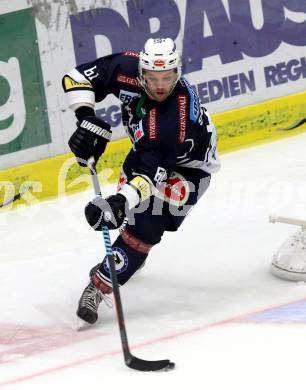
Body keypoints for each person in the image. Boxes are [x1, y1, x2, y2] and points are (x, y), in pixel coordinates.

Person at [62, 38, 221, 324]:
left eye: (168, 77)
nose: (160, 86)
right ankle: (131, 251)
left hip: (189, 170)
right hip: (146, 152)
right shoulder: (126, 67)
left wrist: (121, 201)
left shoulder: (174, 121)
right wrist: (85, 118)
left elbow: (150, 178)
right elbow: (76, 77)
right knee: (131, 216)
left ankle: (98, 287)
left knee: (144, 228)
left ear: (177, 73)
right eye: (152, 77)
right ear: (141, 73)